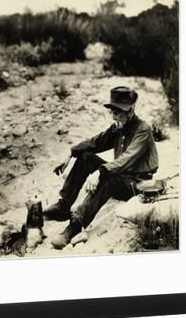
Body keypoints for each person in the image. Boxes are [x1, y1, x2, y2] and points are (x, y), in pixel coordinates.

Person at [44, 86, 159, 249]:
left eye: (118, 112)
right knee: (86, 157)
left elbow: (127, 159)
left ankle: (74, 227)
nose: (114, 116)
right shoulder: (118, 126)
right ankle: (64, 205)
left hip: (137, 183)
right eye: (112, 112)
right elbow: (95, 143)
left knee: (108, 180)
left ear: (131, 110)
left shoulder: (143, 129)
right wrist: (71, 153)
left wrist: (100, 172)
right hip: (120, 174)